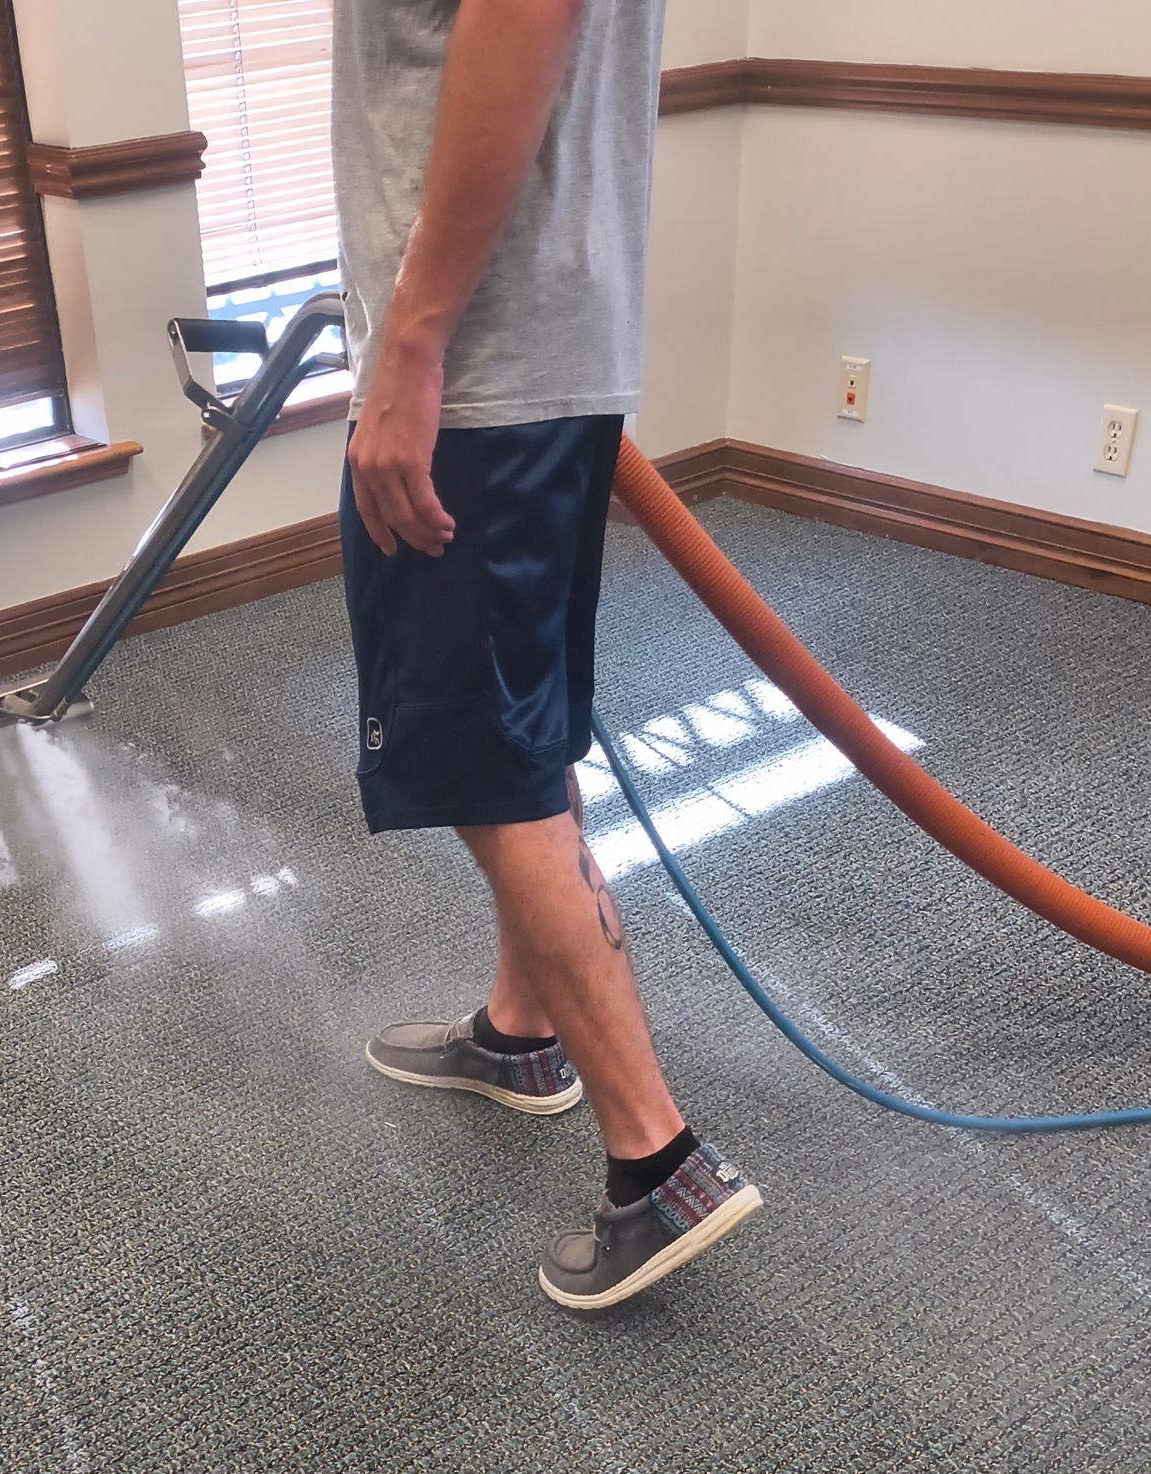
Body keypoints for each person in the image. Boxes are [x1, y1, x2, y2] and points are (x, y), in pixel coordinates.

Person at [332, 0, 762, 1312]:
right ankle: (524, 1035)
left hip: (479, 360)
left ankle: (659, 1156)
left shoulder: (448, 352)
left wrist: (412, 340)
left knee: (478, 758)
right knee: (520, 727)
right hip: (548, 346)